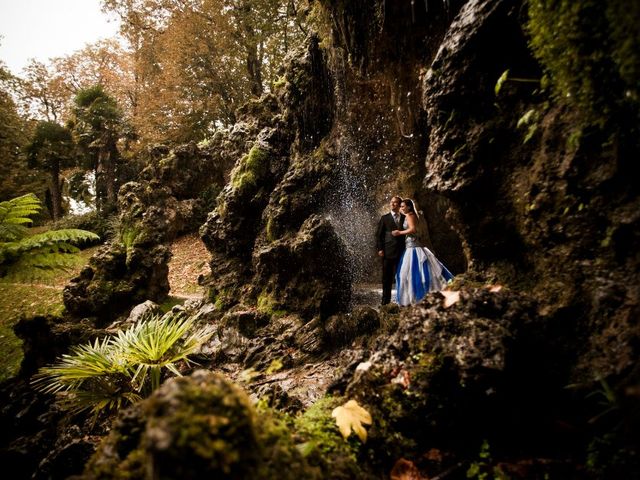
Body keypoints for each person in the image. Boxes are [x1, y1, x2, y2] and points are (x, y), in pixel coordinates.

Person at [392, 198, 453, 306]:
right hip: (411, 246)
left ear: (409, 207)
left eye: (402, 206)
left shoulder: (410, 215)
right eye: (400, 206)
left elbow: (413, 229)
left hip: (414, 248)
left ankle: (416, 297)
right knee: (411, 273)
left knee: (410, 273)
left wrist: (399, 232)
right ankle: (415, 297)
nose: (401, 208)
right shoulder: (410, 215)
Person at [375, 196, 406, 305]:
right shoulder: (384, 218)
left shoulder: (404, 217)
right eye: (391, 202)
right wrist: (380, 249)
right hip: (387, 251)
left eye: (395, 202)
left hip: (402, 251)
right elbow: (379, 235)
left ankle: (402, 300)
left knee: (402, 276)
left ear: (399, 205)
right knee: (386, 278)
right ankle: (385, 302)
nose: (392, 204)